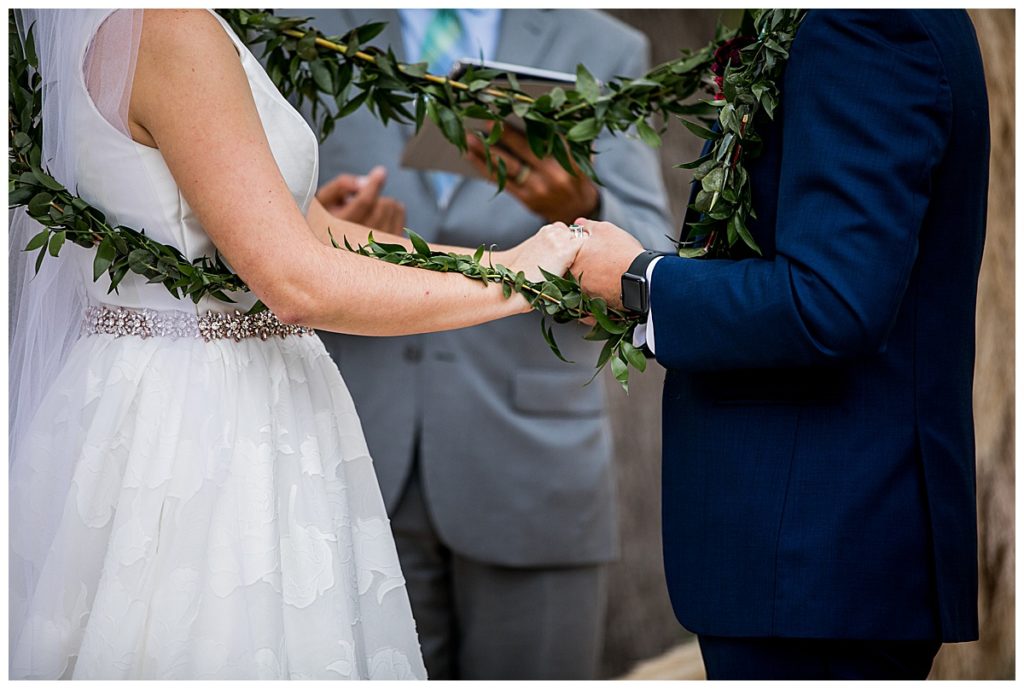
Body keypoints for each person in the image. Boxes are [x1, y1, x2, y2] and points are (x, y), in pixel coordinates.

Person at [8, 9, 589, 679]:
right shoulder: (170, 25)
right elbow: (293, 280)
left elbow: (314, 236)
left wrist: (507, 261)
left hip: (138, 396)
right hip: (209, 422)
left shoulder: (104, 23)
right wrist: (519, 278)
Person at [568, 9, 989, 680]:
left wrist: (646, 284)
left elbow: (832, 300)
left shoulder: (867, 24)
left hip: (820, 565)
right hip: (807, 567)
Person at [295, 8, 674, 680]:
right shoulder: (303, 28)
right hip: (351, 455)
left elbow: (652, 258)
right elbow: (261, 225)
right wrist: (328, 234)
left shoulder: (604, 45)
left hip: (530, 467)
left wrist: (581, 203)